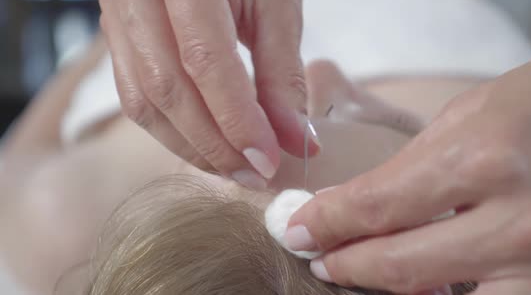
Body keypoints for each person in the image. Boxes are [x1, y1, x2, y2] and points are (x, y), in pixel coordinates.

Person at [0, 27, 485, 294]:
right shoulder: (485, 109)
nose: (321, 72)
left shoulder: (51, 213)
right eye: (404, 126)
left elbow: (32, 128)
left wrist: (115, 32)